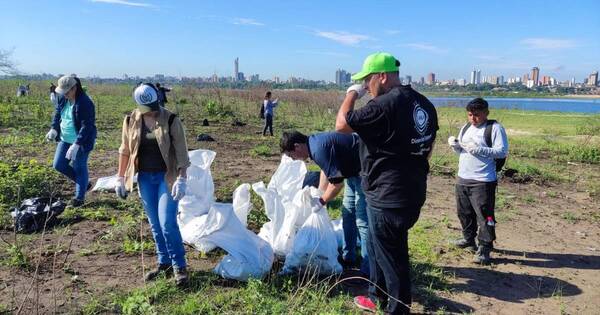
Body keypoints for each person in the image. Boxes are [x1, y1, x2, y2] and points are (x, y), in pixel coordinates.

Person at [335, 52, 438, 314]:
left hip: (387, 195)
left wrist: (352, 93)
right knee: (378, 247)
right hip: (410, 190)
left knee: (394, 258)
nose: (366, 86)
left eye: (367, 81)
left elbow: (341, 124)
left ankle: (398, 309)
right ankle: (375, 295)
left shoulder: (382, 105)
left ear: (382, 76)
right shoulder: (423, 103)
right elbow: (429, 145)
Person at [115, 83, 191, 287]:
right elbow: (124, 150)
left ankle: (179, 266)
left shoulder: (171, 119)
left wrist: (182, 178)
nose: (152, 112)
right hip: (145, 178)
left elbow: (182, 153)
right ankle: (163, 262)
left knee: (167, 223)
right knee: (155, 224)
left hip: (167, 177)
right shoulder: (131, 120)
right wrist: (120, 177)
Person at [280, 130, 369, 276]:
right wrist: (320, 193)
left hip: (364, 169)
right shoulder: (314, 144)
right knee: (348, 213)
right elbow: (325, 169)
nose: (294, 159)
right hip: (352, 171)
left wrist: (322, 201)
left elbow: (337, 185)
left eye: (291, 155)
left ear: (297, 147)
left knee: (362, 220)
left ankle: (368, 269)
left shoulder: (318, 148)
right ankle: (349, 258)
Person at [448, 97, 508, 264]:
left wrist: (480, 149)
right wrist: (455, 146)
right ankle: (468, 239)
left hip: (483, 180)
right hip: (463, 177)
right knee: (464, 212)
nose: (473, 119)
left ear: (486, 113)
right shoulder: (466, 127)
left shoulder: (494, 128)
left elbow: (502, 152)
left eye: (476, 115)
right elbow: (462, 150)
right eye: (469, 115)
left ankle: (485, 247)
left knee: (485, 216)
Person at [45, 75, 97, 207]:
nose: (64, 94)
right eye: (63, 92)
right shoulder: (63, 98)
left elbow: (87, 126)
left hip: (81, 141)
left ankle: (79, 199)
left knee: (79, 167)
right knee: (58, 164)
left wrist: (77, 144)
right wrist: (54, 129)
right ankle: (84, 184)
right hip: (65, 139)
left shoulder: (85, 103)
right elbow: (58, 114)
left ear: (74, 88)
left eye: (67, 91)